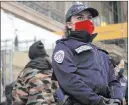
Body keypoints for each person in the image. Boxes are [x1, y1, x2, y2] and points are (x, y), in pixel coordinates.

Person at [52, 4, 123, 105]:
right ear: (69, 24)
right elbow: (70, 81)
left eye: (89, 18)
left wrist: (117, 99)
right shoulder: (64, 48)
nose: (86, 21)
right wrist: (98, 101)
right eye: (80, 17)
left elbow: (114, 81)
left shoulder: (101, 53)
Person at [12, 41, 55, 105]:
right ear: (44, 55)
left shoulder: (24, 74)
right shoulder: (54, 71)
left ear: (30, 57)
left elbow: (17, 100)